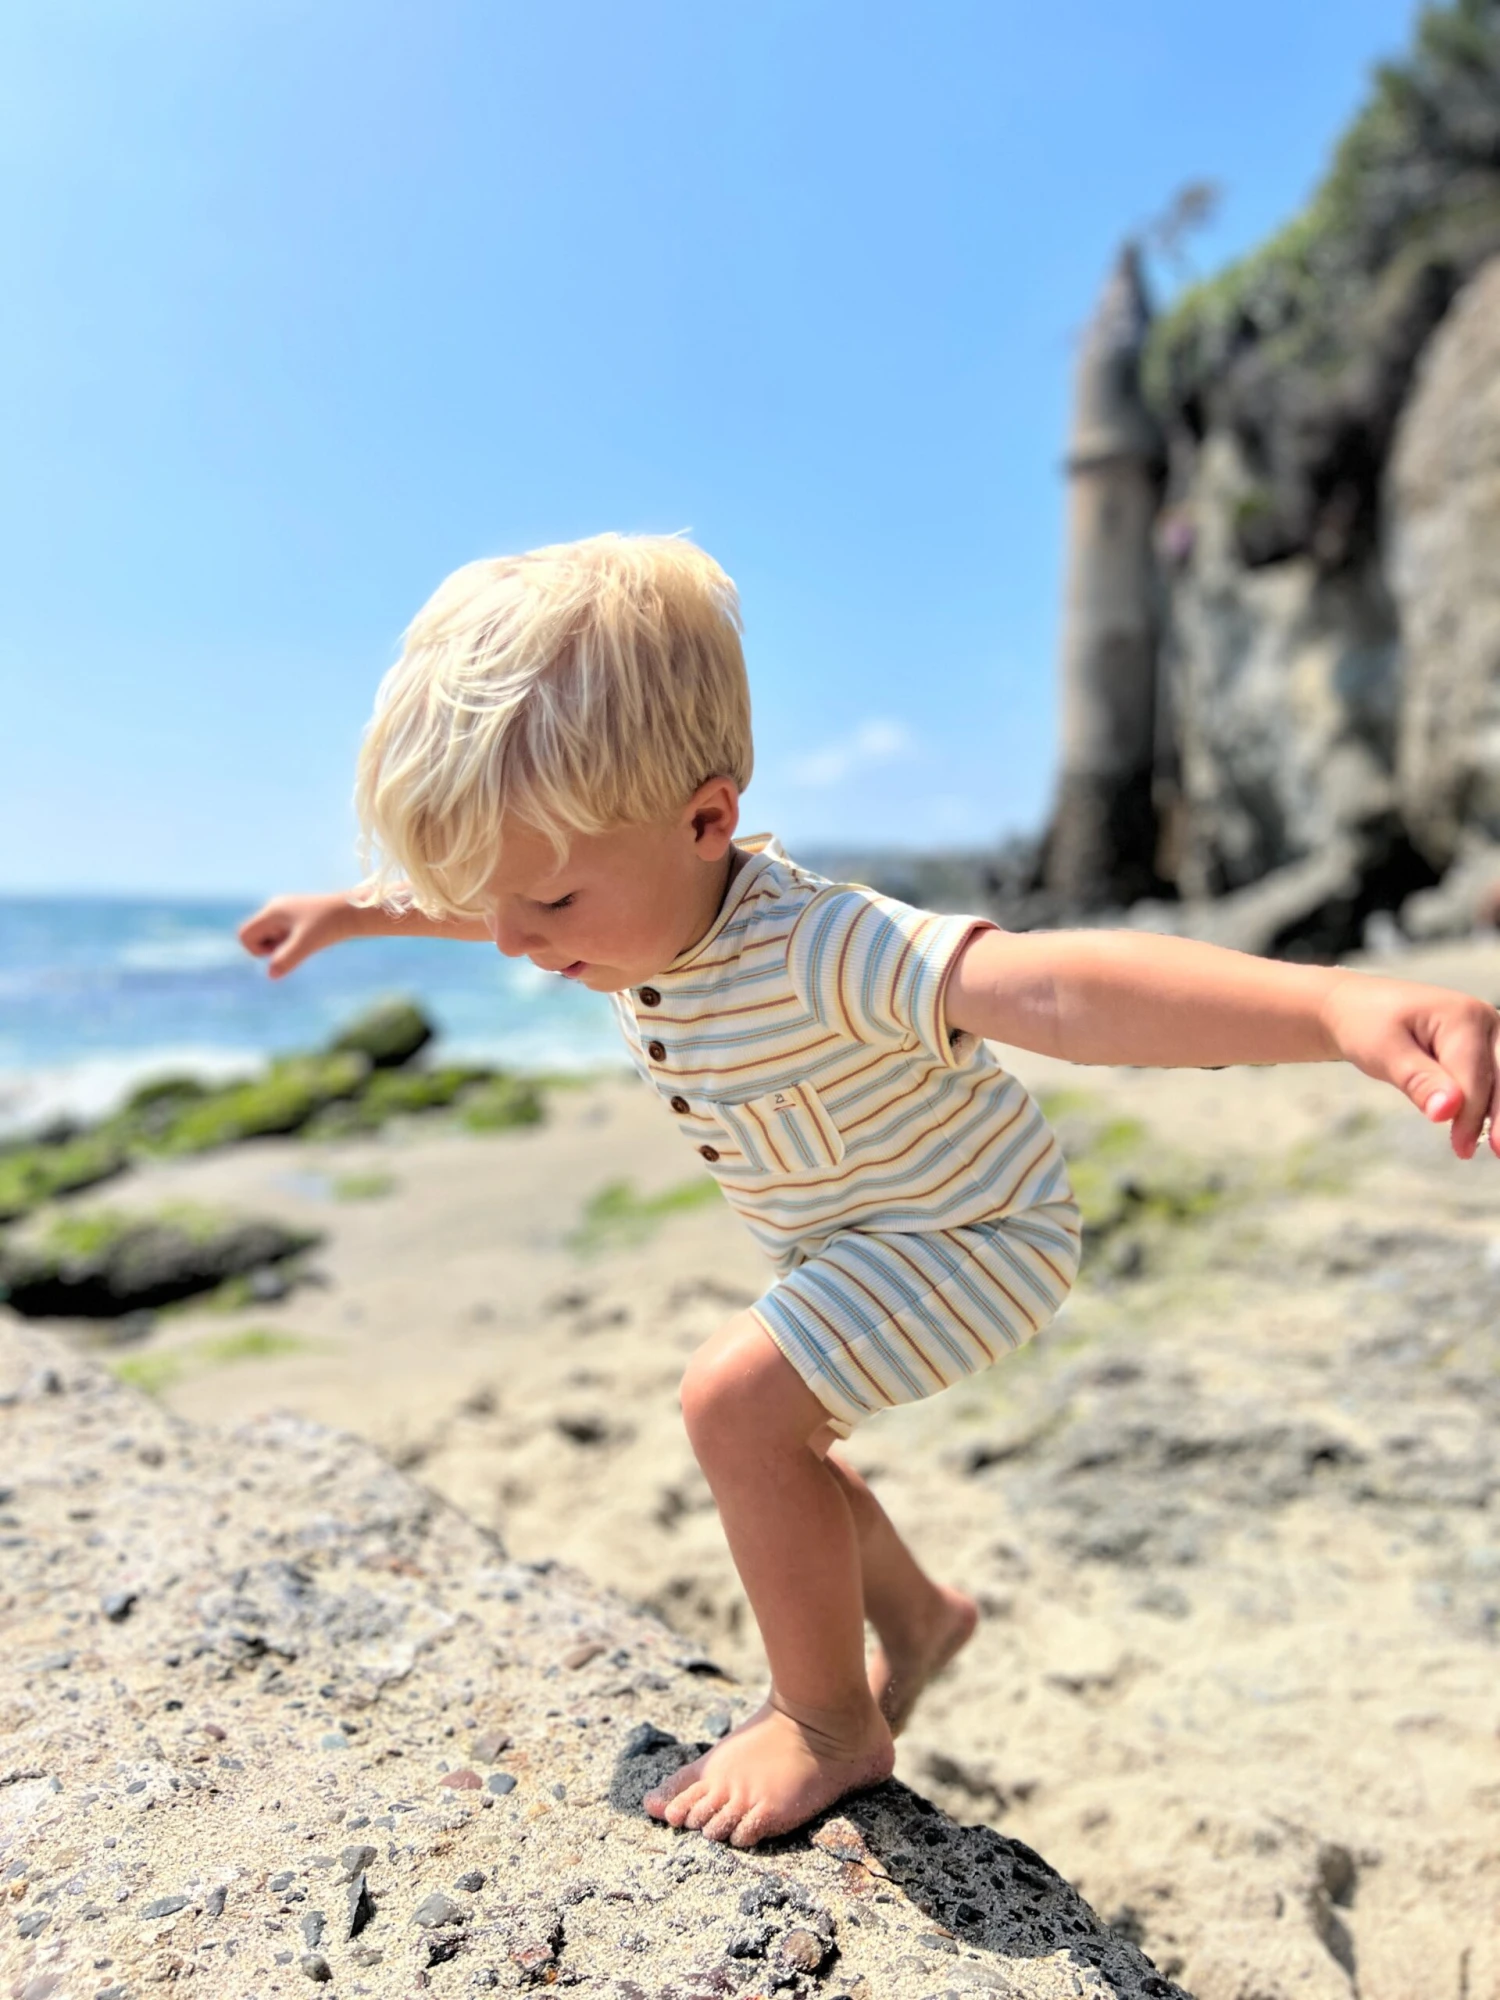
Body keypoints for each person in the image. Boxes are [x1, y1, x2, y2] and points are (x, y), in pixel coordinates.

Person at [240, 533, 1499, 1850]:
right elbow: (493, 893)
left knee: (736, 1406)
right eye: (491, 902)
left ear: (708, 820)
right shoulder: (612, 899)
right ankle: (918, 1617)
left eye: (544, 900)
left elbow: (1061, 989)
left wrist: (1336, 1001)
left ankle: (832, 1724)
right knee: (778, 1438)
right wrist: (354, 909)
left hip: (970, 1234)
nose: (513, 941)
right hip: (843, 1237)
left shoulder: (820, 944)